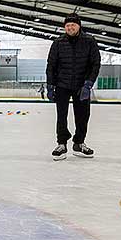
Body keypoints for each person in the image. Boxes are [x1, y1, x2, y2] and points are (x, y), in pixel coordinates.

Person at [46, 13, 101, 160]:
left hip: (81, 85)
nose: (70, 27)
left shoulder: (89, 41)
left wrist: (88, 84)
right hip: (62, 85)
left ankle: (79, 143)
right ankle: (62, 144)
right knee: (61, 116)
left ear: (79, 26)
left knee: (83, 116)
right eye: (67, 25)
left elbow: (95, 64)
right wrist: (50, 86)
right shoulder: (58, 43)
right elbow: (51, 65)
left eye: (73, 25)